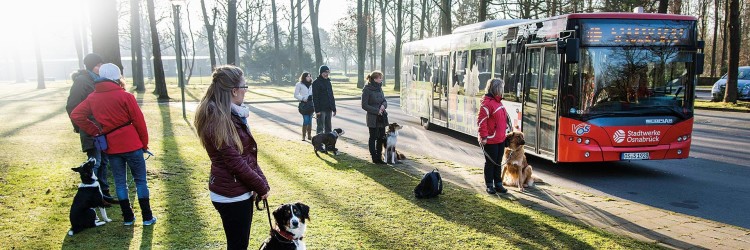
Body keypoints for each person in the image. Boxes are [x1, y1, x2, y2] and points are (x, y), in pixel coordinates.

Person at [70, 63, 156, 226]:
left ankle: (128, 218)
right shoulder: (126, 96)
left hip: (111, 145)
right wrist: (144, 144)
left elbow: (76, 114)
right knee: (140, 181)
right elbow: (139, 122)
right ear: (118, 78)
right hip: (132, 143)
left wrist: (95, 131)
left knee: (120, 182)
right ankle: (147, 217)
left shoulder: (93, 97)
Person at [194, 65, 270, 250]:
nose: (246, 90)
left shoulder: (230, 114)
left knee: (237, 244)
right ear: (234, 91)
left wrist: (261, 183)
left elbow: (246, 155)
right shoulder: (218, 119)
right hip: (231, 194)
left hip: (235, 189)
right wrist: (260, 186)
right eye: (245, 86)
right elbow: (235, 161)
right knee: (237, 246)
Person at [65, 53, 114, 202]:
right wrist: (80, 127)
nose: (101, 68)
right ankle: (92, 193)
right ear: (92, 66)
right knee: (95, 162)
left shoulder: (98, 80)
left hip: (103, 129)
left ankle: (103, 192)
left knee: (104, 161)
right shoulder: (82, 81)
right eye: (99, 65)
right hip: (91, 129)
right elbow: (72, 106)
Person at [477, 79, 508, 194]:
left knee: (498, 162)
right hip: (490, 140)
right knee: (490, 163)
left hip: (500, 139)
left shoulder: (498, 101)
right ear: (496, 89)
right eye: (501, 88)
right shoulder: (487, 103)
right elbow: (481, 121)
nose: (502, 90)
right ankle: (489, 185)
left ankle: (498, 183)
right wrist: (483, 137)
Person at [361, 70, 388, 164]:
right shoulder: (367, 89)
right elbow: (364, 105)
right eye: (380, 78)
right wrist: (377, 111)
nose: (381, 79)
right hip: (373, 118)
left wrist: (383, 106)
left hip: (382, 118)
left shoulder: (380, 88)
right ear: (375, 78)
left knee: (381, 137)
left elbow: (384, 100)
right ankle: (374, 157)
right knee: (373, 137)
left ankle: (379, 157)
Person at [312, 65, 336, 134]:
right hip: (321, 109)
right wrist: (317, 110)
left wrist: (334, 108)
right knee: (320, 128)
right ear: (321, 73)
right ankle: (319, 143)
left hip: (329, 108)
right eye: (325, 72)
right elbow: (315, 97)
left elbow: (331, 96)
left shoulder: (328, 82)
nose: (326, 74)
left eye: (328, 72)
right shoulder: (316, 83)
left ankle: (328, 143)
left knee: (328, 128)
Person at [294, 72, 314, 141]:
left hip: (311, 105)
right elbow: (295, 95)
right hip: (304, 105)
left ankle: (309, 135)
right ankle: (303, 136)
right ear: (304, 77)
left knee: (310, 120)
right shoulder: (299, 84)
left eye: (310, 76)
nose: (309, 77)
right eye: (307, 76)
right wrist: (303, 98)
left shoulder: (312, 84)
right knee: (306, 120)